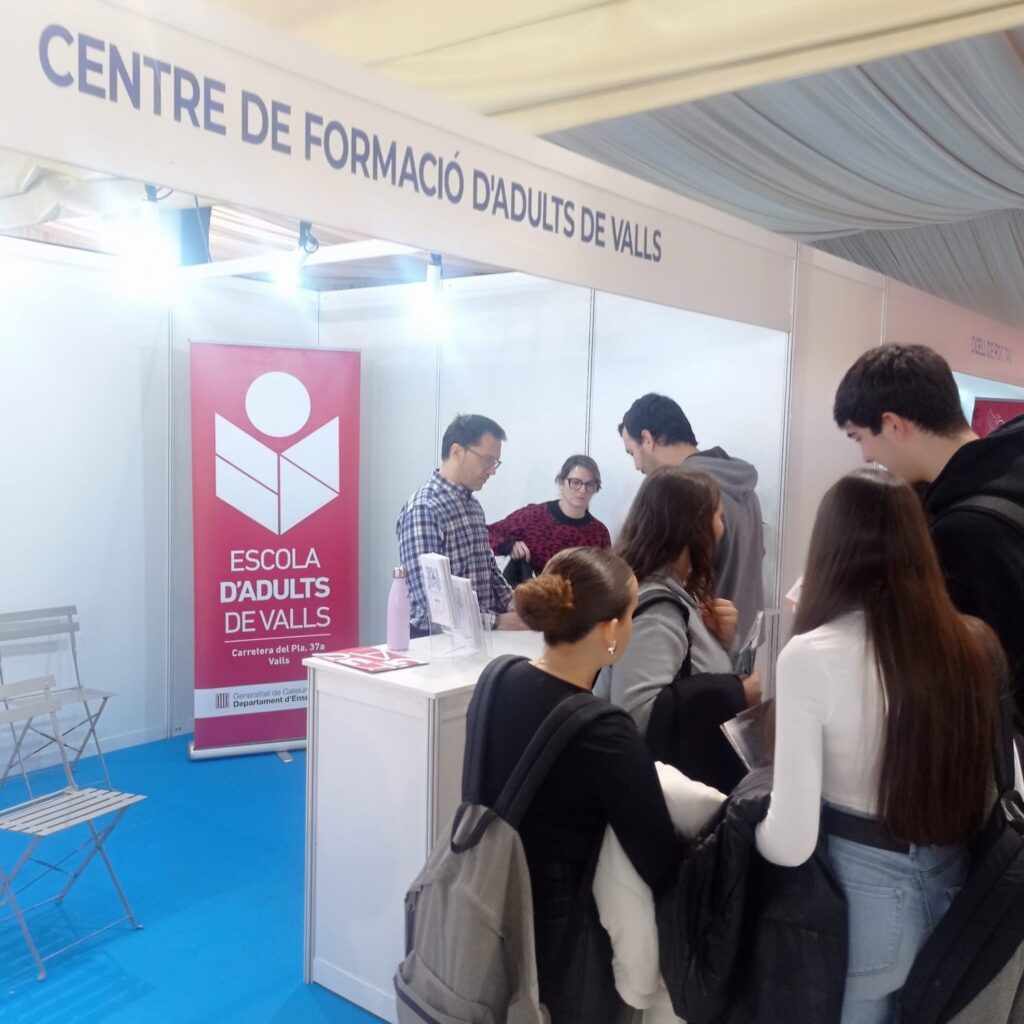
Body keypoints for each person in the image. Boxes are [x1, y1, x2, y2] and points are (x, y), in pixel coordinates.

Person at [755, 468, 1000, 1024]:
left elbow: (791, 843)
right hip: (957, 892)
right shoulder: (973, 645)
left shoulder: (812, 655)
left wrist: (744, 833)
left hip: (861, 904)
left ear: (829, 548)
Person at [470, 547, 680, 1024]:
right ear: (610, 631)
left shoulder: (496, 680)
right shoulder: (606, 732)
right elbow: (659, 861)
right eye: (631, 615)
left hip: (484, 912)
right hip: (561, 949)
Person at [834, 344, 1024, 717]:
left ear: (892, 424)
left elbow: (970, 685)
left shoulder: (963, 533)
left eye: (859, 437)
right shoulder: (1008, 467)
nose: (866, 457)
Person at [595, 467, 761, 789]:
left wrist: (723, 641)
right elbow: (638, 718)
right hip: (665, 797)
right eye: (719, 517)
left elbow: (689, 672)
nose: (723, 528)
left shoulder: (670, 593)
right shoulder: (657, 610)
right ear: (695, 526)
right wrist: (736, 692)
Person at [619, 393, 764, 642]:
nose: (637, 466)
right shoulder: (744, 488)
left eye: (632, 452)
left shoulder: (680, 493)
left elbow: (660, 576)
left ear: (647, 439)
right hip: (738, 641)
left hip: (691, 644)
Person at [397, 413, 525, 635]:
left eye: (495, 462)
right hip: (437, 643)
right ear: (457, 452)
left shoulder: (472, 505)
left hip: (478, 638)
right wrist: (497, 621)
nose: (492, 470)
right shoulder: (424, 509)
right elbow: (431, 606)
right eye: (487, 460)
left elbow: (489, 568)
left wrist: (515, 604)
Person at [487, 455, 611, 580]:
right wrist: (509, 545)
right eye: (575, 482)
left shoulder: (599, 533)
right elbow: (487, 535)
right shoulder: (533, 516)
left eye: (590, 484)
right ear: (562, 481)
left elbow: (607, 578)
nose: (582, 490)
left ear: (596, 488)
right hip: (537, 591)